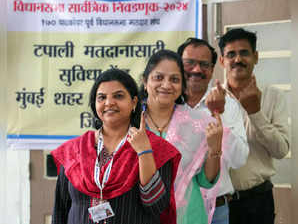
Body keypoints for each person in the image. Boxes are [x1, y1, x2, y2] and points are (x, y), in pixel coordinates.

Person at [51, 68, 181, 224]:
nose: (109, 102)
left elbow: (156, 206)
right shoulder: (74, 150)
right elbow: (60, 210)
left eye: (118, 96)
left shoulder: (156, 148)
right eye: (101, 97)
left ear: (133, 102)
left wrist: (144, 152)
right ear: (94, 104)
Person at [139, 49, 224, 224]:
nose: (166, 85)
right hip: (141, 215)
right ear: (145, 82)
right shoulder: (130, 123)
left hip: (189, 216)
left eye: (175, 79)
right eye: (158, 77)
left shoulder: (199, 123)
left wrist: (215, 149)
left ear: (182, 86)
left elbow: (206, 182)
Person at [218, 28, 290, 224]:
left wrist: (255, 113)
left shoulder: (273, 96)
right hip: (219, 205)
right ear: (222, 61)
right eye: (231, 54)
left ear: (256, 57)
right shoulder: (213, 99)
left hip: (258, 201)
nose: (238, 59)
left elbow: (281, 151)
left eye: (244, 53)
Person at [177, 38, 249, 224]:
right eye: (189, 63)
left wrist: (217, 114)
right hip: (176, 210)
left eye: (204, 65)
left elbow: (239, 160)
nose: (197, 70)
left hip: (217, 211)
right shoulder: (168, 105)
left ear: (212, 69)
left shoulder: (229, 106)